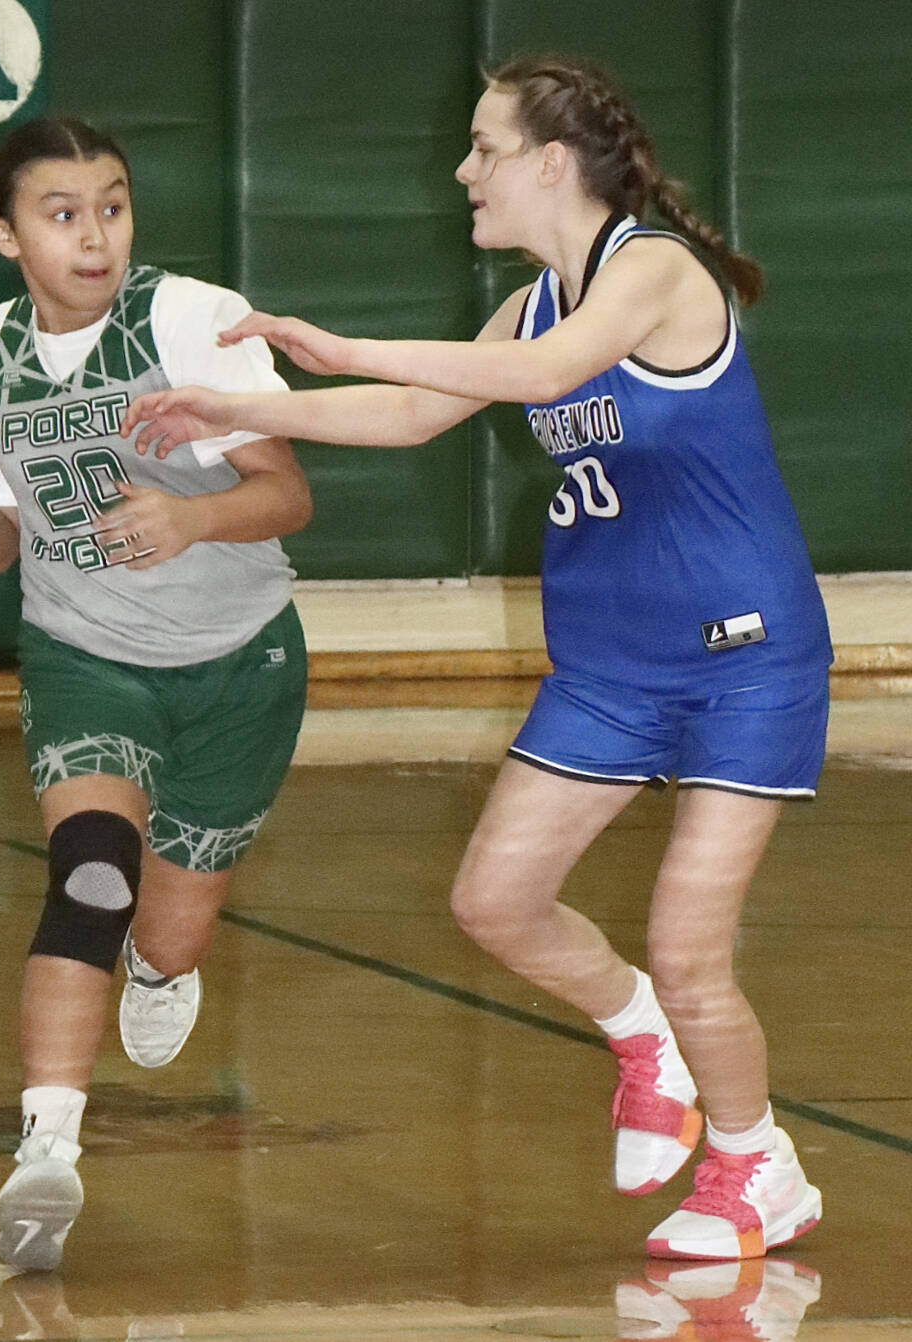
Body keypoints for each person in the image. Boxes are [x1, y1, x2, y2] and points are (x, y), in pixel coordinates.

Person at [122, 54, 831, 1261]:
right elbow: (414, 415)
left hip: (741, 659)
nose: (462, 170)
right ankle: (638, 1036)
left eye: (482, 146)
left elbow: (544, 381)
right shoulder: (529, 304)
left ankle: (756, 1162)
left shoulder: (652, 272)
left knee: (686, 944)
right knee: (492, 900)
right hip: (609, 666)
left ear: (550, 164)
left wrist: (340, 346)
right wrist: (247, 409)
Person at [0, 115, 312, 1272]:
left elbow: (286, 492)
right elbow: (3, 544)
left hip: (237, 663)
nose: (94, 233)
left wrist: (193, 513)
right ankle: (46, 1152)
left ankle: (164, 969)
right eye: (61, 213)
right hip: (85, 654)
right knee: (93, 875)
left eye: (110, 205)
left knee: (164, 927)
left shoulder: (188, 321)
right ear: (3, 235)